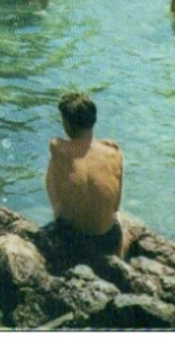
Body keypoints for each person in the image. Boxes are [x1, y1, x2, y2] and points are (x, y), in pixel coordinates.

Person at [44, 92, 126, 265]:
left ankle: (58, 216)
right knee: (115, 208)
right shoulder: (114, 153)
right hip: (108, 239)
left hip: (72, 238)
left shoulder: (58, 148)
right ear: (93, 120)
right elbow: (116, 205)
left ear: (66, 122)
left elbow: (56, 144)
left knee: (55, 167)